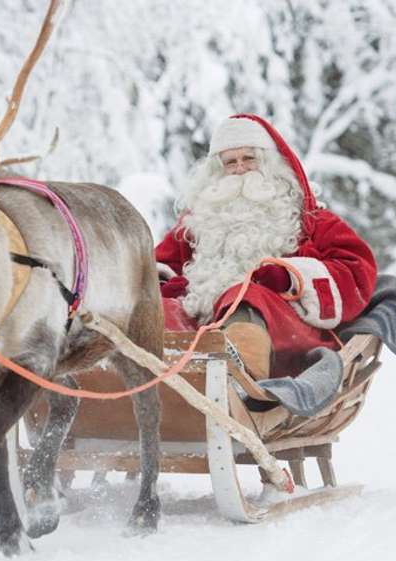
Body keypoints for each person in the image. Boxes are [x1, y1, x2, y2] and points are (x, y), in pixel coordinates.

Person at [154, 114, 377, 386]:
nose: (239, 169)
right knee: (157, 311)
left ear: (271, 164)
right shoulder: (199, 220)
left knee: (246, 297)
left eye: (249, 159)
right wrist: (162, 283)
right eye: (230, 163)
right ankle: (148, 384)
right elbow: (159, 265)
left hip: (283, 334)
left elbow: (356, 270)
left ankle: (241, 385)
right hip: (201, 327)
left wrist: (291, 277)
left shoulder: (309, 218)